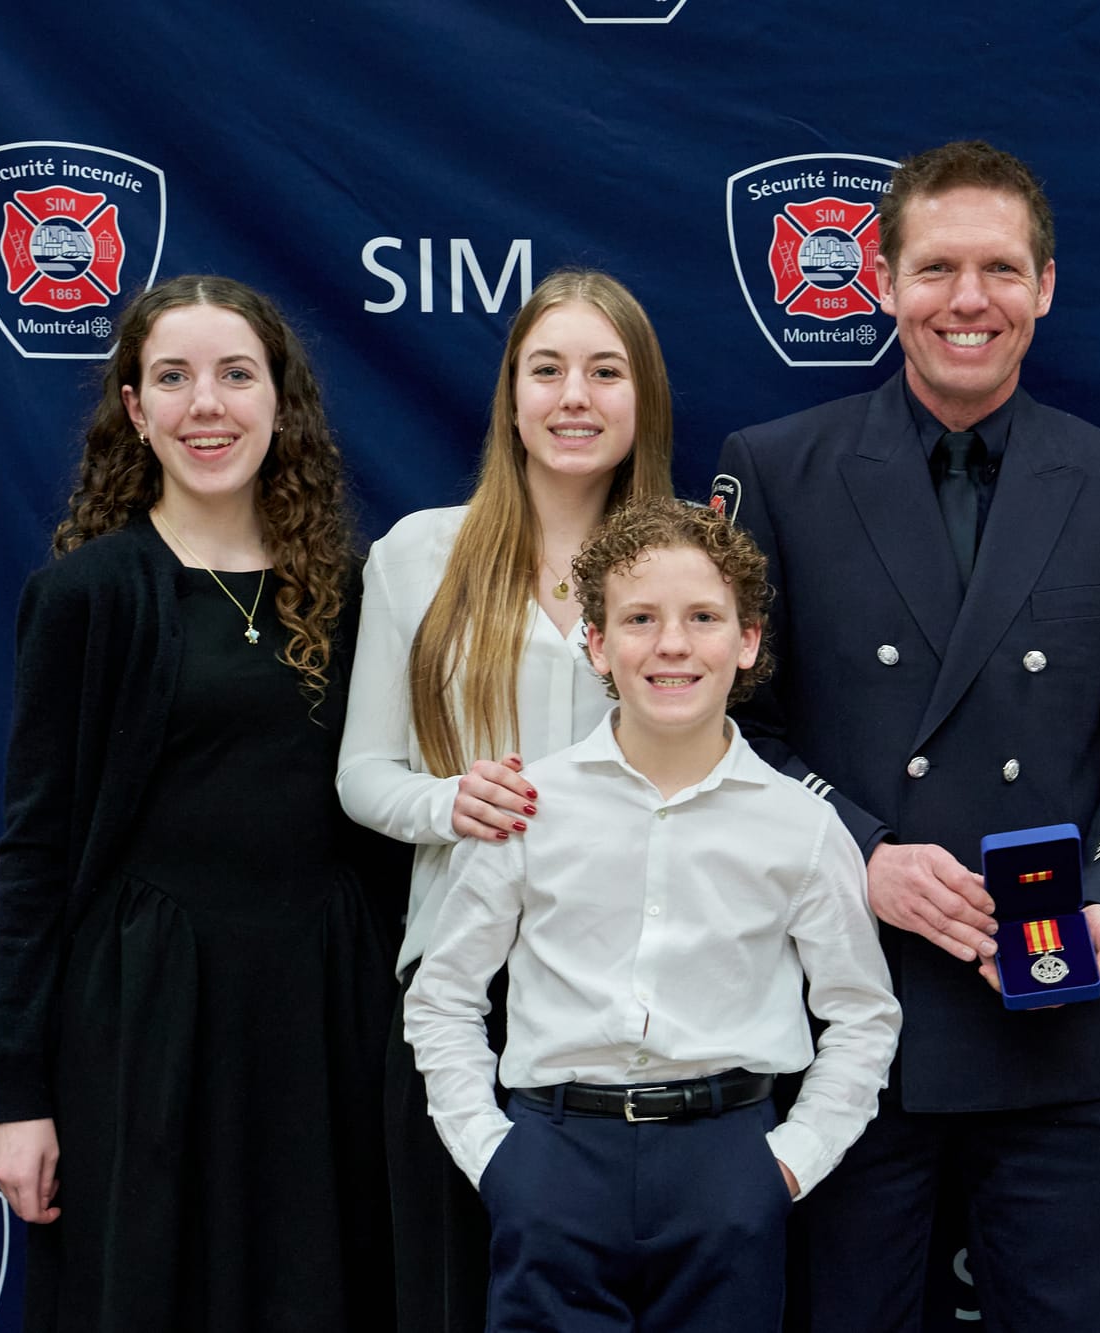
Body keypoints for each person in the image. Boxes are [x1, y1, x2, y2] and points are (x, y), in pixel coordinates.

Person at [713, 139, 1100, 1332]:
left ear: (1045, 286)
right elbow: (734, 735)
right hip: (847, 1024)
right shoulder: (777, 469)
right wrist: (862, 854)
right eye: (935, 268)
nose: (966, 300)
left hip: (1056, 1032)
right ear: (883, 281)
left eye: (998, 269)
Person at [0, 275, 395, 1332]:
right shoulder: (86, 595)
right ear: (134, 409)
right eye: (172, 377)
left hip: (323, 1014)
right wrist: (19, 1096)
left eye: (235, 374)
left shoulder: (356, 593)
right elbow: (34, 853)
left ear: (280, 400)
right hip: (145, 1018)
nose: (205, 404)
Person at [403, 497, 901, 1332]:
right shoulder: (532, 807)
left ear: (748, 640)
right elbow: (444, 994)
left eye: (703, 616)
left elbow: (863, 1014)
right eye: (640, 618)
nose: (672, 643)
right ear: (597, 643)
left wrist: (787, 1163)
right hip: (554, 1160)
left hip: (728, 1168)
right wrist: (496, 1160)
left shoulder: (804, 826)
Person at [335, 268, 675, 1333]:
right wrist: (451, 803)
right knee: (454, 1297)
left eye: (605, 371)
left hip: (643, 1002)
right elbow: (362, 775)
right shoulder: (417, 555)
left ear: (643, 397)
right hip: (461, 995)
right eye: (547, 369)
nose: (574, 396)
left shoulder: (683, 564)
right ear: (510, 396)